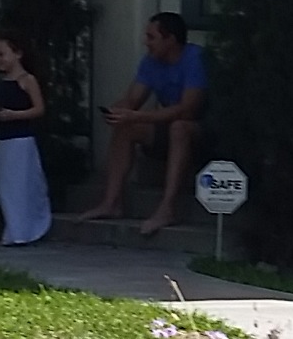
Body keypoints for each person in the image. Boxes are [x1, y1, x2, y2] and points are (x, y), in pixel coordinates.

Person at [73, 13, 208, 236]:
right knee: (125, 126)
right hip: (167, 127)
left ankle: (167, 208)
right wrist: (118, 111)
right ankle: (111, 202)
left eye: (151, 37)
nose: (146, 42)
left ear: (171, 40)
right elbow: (133, 99)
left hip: (200, 129)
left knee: (179, 127)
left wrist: (136, 116)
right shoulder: (150, 62)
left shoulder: (195, 59)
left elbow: (188, 109)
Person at [0, 32, 50, 247]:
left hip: (21, 141)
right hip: (4, 141)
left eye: (2, 54)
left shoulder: (27, 80)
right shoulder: (3, 82)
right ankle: (16, 228)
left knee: (14, 187)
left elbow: (39, 109)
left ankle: (19, 232)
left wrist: (15, 115)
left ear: (17, 53)